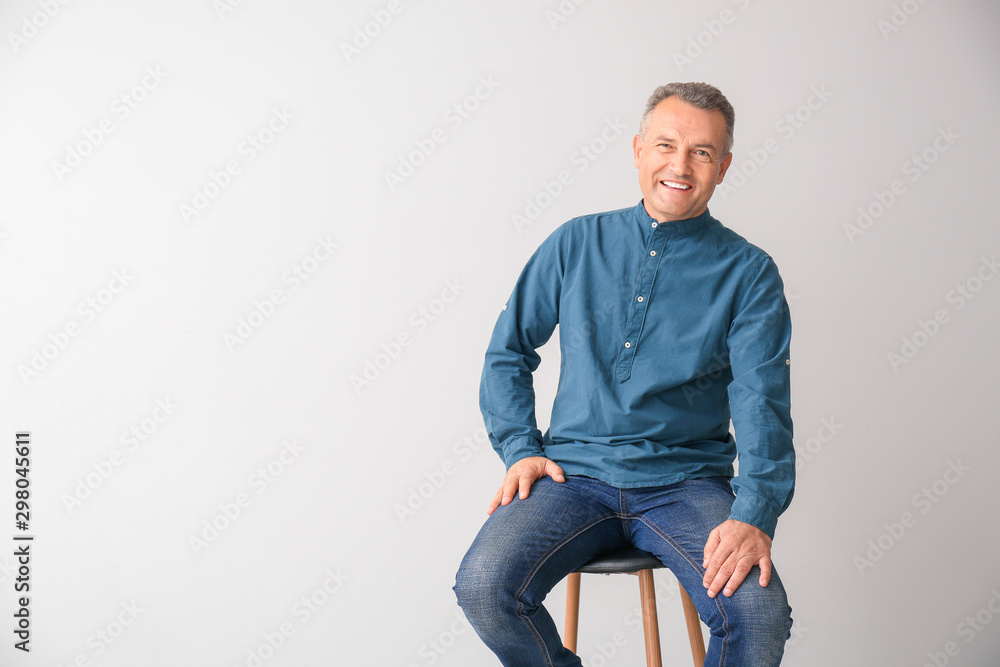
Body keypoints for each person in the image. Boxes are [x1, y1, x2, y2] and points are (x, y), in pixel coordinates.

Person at [454, 81, 795, 666]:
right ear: (638, 150)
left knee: (758, 617)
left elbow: (761, 400)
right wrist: (519, 448)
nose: (680, 166)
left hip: (686, 483)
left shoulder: (750, 273)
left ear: (724, 167)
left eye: (702, 152)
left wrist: (754, 511)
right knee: (484, 587)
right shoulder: (575, 242)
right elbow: (508, 351)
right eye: (666, 145)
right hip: (572, 477)